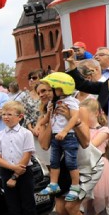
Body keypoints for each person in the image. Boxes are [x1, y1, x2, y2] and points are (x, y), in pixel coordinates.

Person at [35, 83, 98, 215]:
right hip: (61, 166)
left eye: (46, 90)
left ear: (58, 90)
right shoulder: (47, 114)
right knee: (61, 209)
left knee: (71, 206)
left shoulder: (79, 108)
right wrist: (49, 120)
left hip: (84, 164)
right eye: (39, 92)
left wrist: (71, 118)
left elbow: (86, 142)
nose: (43, 94)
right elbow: (45, 145)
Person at [80, 97, 109, 215]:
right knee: (87, 206)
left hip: (99, 168)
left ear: (94, 113)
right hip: (85, 168)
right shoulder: (82, 130)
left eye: (83, 114)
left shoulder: (104, 130)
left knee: (100, 206)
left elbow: (91, 146)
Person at [39, 72, 81, 201]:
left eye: (53, 88)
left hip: (68, 136)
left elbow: (75, 117)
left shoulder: (71, 102)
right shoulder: (55, 102)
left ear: (62, 88)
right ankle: (53, 184)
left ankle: (75, 186)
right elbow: (46, 120)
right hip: (55, 137)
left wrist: (65, 131)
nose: (51, 91)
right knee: (54, 161)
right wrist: (48, 113)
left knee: (70, 162)